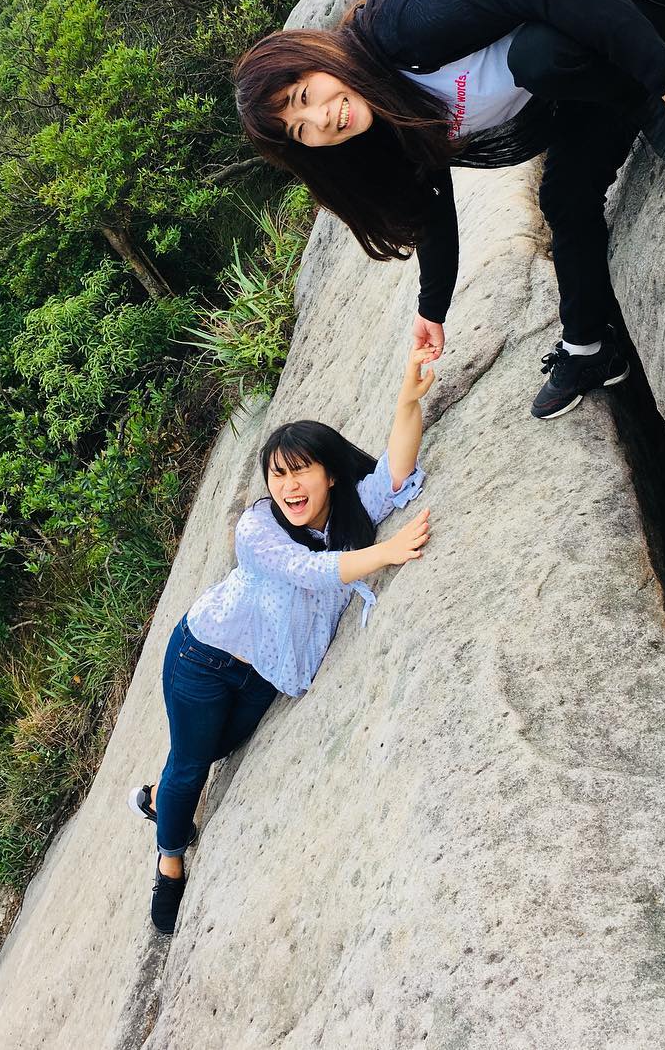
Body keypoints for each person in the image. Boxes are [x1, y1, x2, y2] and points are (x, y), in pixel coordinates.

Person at [233, 0, 665, 419]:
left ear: (320, 59)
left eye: (305, 95)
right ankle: (589, 349)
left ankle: (647, 102)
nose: (321, 119)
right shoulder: (385, 116)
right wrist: (432, 309)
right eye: (301, 130)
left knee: (539, 57)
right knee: (564, 198)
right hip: (590, 57)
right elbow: (429, 206)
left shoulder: (405, 23)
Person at [128, 345, 436, 933]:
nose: (289, 487)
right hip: (204, 657)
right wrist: (386, 553)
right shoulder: (256, 529)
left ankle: (158, 797)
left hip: (264, 675)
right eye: (278, 475)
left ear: (330, 474)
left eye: (301, 471)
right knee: (191, 766)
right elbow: (308, 571)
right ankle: (169, 861)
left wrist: (407, 399)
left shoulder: (344, 514)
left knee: (211, 751)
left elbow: (395, 473)